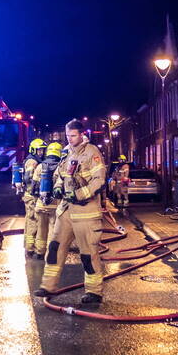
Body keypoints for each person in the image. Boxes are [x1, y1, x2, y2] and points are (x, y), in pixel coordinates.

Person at [35, 120, 108, 304]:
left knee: (88, 254)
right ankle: (48, 286)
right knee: (54, 249)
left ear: (81, 134)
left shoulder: (92, 152)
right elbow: (60, 175)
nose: (70, 138)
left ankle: (94, 292)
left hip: (86, 213)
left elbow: (99, 180)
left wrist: (79, 194)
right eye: (68, 135)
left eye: (73, 135)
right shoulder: (66, 152)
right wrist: (59, 187)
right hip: (66, 211)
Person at [31, 142, 64, 260]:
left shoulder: (40, 167)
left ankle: (39, 252)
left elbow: (34, 187)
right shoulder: (61, 166)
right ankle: (50, 255)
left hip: (41, 204)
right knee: (53, 231)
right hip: (55, 206)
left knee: (41, 229)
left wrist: (37, 201)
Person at [21, 138, 46, 258]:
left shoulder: (34, 160)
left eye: (42, 150)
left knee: (31, 221)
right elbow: (29, 178)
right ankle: (31, 249)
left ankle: (29, 247)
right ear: (33, 150)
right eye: (39, 150)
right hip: (31, 196)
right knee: (33, 221)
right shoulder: (32, 161)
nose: (41, 152)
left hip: (30, 195)